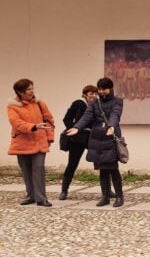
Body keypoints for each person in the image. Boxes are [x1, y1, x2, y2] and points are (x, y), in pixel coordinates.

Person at [67, 77, 125, 207]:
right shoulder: (94, 104)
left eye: (104, 89)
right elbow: (86, 117)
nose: (101, 91)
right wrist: (77, 127)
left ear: (110, 89)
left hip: (111, 136)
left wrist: (111, 126)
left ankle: (120, 197)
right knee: (102, 169)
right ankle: (105, 196)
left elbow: (115, 114)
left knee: (113, 168)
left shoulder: (118, 101)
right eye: (99, 89)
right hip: (97, 138)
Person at [7, 78, 55, 206]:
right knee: (27, 171)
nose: (32, 91)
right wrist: (33, 126)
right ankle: (30, 196)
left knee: (38, 169)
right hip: (22, 143)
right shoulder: (13, 106)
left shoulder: (39, 103)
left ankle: (41, 198)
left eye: (32, 88)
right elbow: (16, 123)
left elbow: (49, 120)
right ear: (20, 92)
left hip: (39, 142)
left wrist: (49, 137)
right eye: (29, 89)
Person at [60, 85, 98, 200]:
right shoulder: (78, 104)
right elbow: (66, 119)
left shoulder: (97, 106)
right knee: (72, 164)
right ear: (85, 94)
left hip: (92, 138)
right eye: (91, 93)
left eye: (95, 93)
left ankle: (107, 190)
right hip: (77, 139)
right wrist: (75, 129)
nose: (93, 96)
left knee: (101, 163)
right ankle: (64, 190)